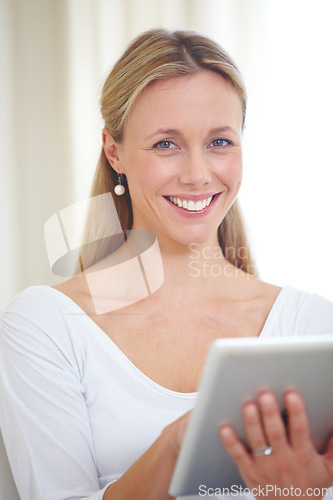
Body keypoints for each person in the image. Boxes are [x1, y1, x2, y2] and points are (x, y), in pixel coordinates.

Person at [0, 28, 333, 500]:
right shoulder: (47, 326)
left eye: (219, 142)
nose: (198, 175)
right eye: (166, 144)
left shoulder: (311, 326)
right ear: (114, 151)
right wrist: (177, 447)